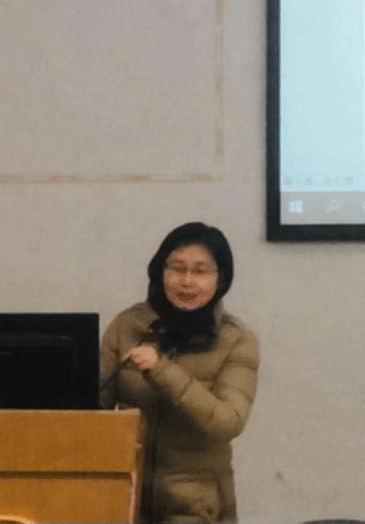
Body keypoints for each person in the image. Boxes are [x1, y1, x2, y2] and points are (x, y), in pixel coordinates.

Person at [100, 222, 259, 523]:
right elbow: (93, 410)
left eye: (200, 271)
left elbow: (228, 421)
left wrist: (161, 370)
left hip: (196, 506)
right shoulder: (128, 326)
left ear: (221, 279)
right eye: (176, 268)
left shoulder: (236, 340)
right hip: (125, 498)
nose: (186, 281)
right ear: (159, 271)